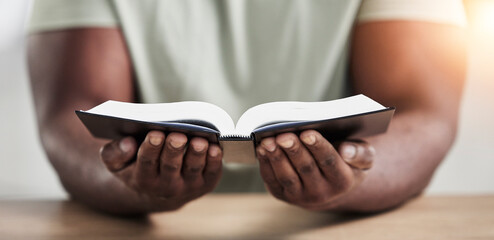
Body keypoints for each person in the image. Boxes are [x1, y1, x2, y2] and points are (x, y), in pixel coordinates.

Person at [27, 0, 467, 215]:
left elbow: (424, 113)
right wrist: (129, 182)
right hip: (151, 233)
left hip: (340, 227)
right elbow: (71, 118)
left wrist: (351, 176)